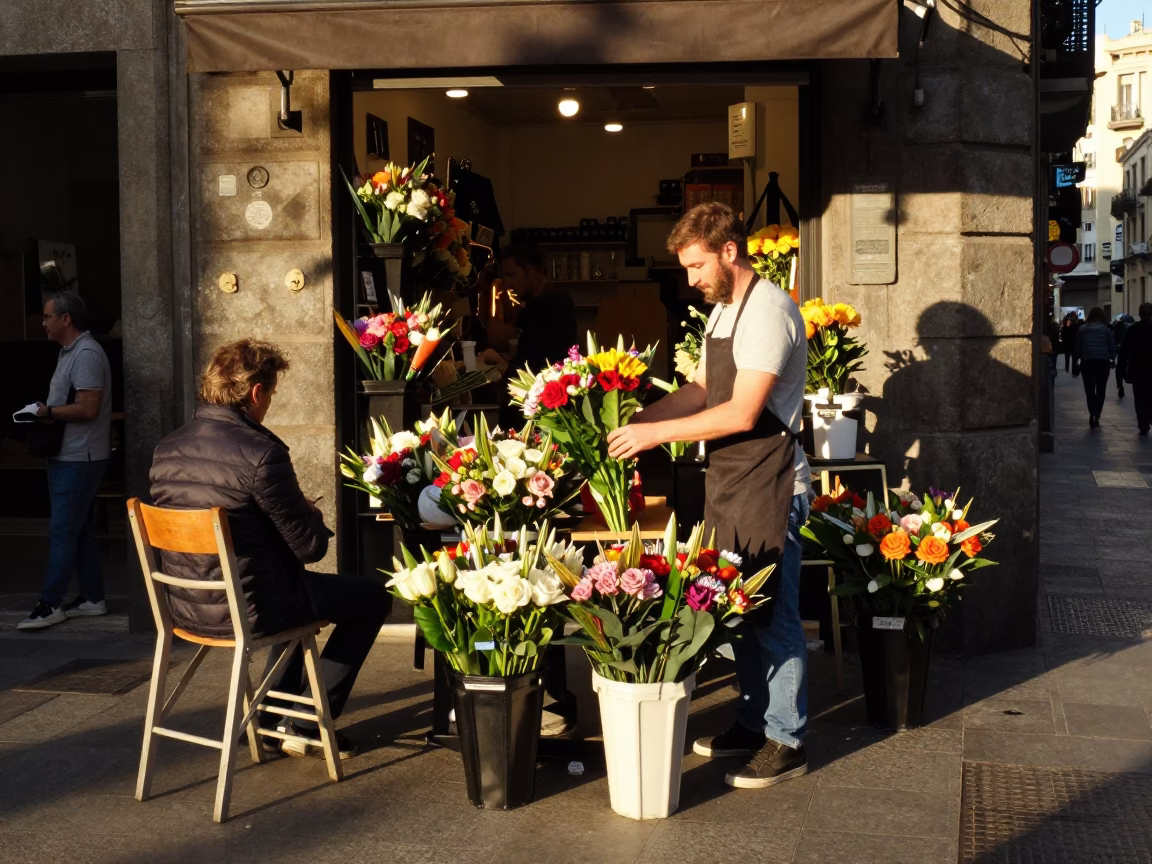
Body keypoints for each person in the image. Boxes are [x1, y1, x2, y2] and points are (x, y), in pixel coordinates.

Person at [606, 202, 812, 789]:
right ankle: (752, 721)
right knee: (739, 610)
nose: (690, 279)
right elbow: (701, 390)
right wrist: (634, 419)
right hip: (731, 480)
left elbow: (744, 410)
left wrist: (653, 434)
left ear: (729, 251)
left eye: (696, 266)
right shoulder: (722, 311)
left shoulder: (769, 311)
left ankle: (785, 736)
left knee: (775, 614)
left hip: (772, 481)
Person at [149, 340, 389, 758]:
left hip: (185, 606)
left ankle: (266, 716)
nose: (269, 404)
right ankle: (308, 723)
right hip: (250, 607)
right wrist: (310, 514)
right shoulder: (261, 454)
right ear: (256, 393)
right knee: (371, 598)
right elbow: (310, 547)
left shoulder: (165, 448)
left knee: (289, 586)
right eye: (272, 395)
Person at [18, 294, 113, 631]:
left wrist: (48, 413)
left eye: (47, 317)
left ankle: (51, 603)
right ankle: (91, 598)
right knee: (80, 529)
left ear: (67, 319)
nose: (43, 323)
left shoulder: (86, 354)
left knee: (61, 531)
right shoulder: (70, 352)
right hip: (70, 454)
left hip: (79, 456)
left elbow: (88, 408)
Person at [478, 242, 578, 380]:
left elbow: (540, 366)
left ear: (533, 271)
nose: (506, 283)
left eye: (511, 275)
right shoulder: (535, 306)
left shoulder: (552, 305)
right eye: (504, 276)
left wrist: (505, 366)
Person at [1074, 306, 1116, 429]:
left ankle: (1092, 412)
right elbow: (1112, 346)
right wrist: (1112, 358)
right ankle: (1097, 414)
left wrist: (1075, 362)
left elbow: (1077, 348)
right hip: (1103, 363)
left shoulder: (1082, 329)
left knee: (1090, 390)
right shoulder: (1107, 330)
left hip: (1087, 363)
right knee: (1101, 390)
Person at [1117, 303, 1152, 436]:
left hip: (1137, 368)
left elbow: (1124, 350)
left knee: (1139, 396)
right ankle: (1148, 417)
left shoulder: (1133, 329)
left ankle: (1142, 423)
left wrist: (1121, 369)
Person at [1113, 314, 1134, 398]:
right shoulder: (1131, 327)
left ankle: (1120, 385)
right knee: (1125, 366)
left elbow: (1114, 338)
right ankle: (1126, 379)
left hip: (1120, 349)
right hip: (1128, 350)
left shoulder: (1117, 327)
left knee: (1119, 367)